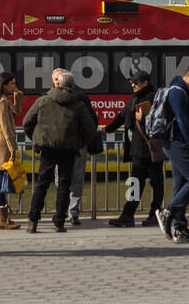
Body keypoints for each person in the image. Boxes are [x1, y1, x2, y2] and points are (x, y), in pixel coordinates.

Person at [23, 70, 98, 233]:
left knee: (42, 183)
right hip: (68, 149)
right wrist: (80, 143)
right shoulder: (78, 104)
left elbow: (27, 122)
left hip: (47, 149)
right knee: (64, 184)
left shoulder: (42, 101)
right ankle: (59, 222)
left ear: (58, 83)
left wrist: (38, 140)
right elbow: (91, 129)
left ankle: (32, 221)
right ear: (72, 85)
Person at [154, 59, 189, 243]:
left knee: (181, 183)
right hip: (176, 143)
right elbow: (184, 124)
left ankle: (180, 228)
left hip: (177, 143)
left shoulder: (184, 92)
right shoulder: (178, 94)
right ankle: (168, 212)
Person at [106, 70, 162, 227]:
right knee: (136, 182)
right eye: (132, 82)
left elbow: (152, 123)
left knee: (156, 183)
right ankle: (128, 215)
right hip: (138, 149)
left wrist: (142, 118)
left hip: (150, 148)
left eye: (136, 82)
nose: (132, 85)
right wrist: (107, 129)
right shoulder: (135, 97)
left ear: (145, 82)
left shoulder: (151, 97)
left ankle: (154, 215)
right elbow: (122, 116)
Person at [57, 67, 100, 226]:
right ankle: (71, 212)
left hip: (60, 145)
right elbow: (92, 123)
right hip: (78, 145)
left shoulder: (49, 99)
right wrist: (85, 140)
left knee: (61, 178)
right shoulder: (81, 98)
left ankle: (63, 211)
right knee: (76, 178)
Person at [0, 71, 22, 230]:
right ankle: (3, 219)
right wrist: (13, 148)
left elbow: (16, 111)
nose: (14, 86)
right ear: (4, 85)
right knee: (1, 181)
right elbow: (7, 127)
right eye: (12, 84)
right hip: (3, 145)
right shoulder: (1, 102)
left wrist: (18, 97)